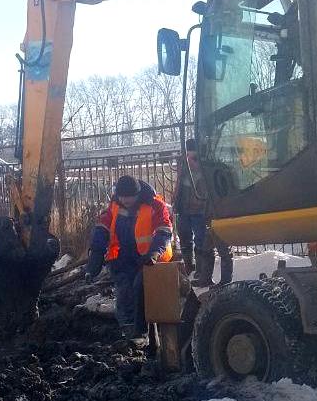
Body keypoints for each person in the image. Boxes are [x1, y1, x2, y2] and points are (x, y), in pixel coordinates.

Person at [84, 175, 173, 339]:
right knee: (124, 294)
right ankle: (130, 332)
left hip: (149, 261)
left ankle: (143, 332)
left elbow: (164, 231)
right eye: (122, 197)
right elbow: (101, 229)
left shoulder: (155, 205)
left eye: (129, 197)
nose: (126, 200)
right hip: (122, 259)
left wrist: (154, 252)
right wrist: (94, 261)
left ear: (137, 194)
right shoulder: (114, 205)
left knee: (140, 290)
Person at [174, 138, 233, 287]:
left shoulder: (207, 163)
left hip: (204, 209)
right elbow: (179, 183)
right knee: (198, 242)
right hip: (185, 207)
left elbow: (210, 185)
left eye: (192, 154)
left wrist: (195, 163)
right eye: (187, 154)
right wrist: (175, 200)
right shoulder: (183, 163)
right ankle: (200, 274)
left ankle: (221, 279)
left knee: (215, 244)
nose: (189, 157)